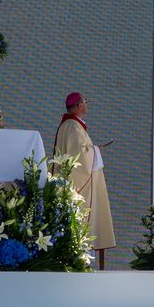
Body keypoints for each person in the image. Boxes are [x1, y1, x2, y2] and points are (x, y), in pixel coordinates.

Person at [53, 92, 115, 267]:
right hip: (81, 185)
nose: (87, 105)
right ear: (80, 105)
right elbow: (79, 156)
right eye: (86, 102)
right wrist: (96, 150)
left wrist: (94, 149)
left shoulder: (71, 125)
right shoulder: (73, 127)